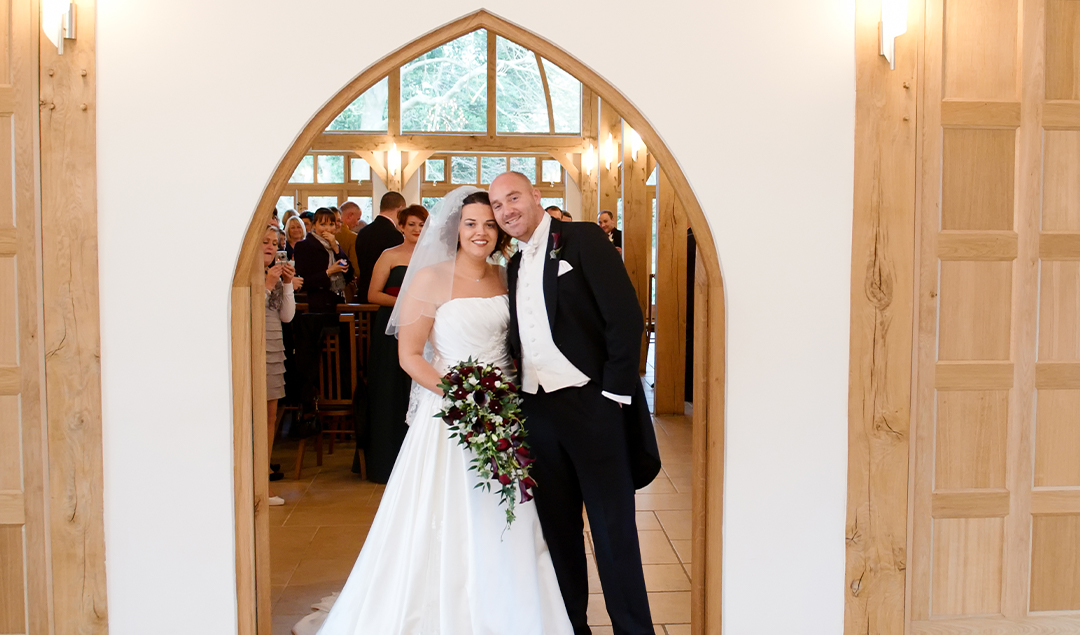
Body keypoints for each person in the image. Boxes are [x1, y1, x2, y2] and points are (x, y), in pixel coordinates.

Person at [292, 187, 573, 635]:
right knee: (443, 516)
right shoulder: (429, 279)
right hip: (451, 415)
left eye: (488, 224)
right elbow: (411, 357)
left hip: (505, 416)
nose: (480, 232)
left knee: (507, 515)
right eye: (470, 224)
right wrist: (464, 398)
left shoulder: (506, 276)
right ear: (454, 229)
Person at [490, 171, 661, 635]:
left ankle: (632, 629)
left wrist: (613, 394)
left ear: (535, 196)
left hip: (593, 406)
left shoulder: (580, 237)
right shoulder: (513, 263)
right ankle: (572, 628)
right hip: (537, 413)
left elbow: (624, 314)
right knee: (558, 533)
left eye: (514, 197)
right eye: (498, 204)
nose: (506, 210)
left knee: (613, 534)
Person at [363, 204, 428, 483]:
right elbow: (373, 294)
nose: (416, 229)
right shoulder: (388, 256)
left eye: (421, 225)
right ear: (401, 226)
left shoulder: (433, 257)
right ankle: (385, 460)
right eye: (411, 224)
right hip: (390, 329)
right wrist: (405, 304)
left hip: (423, 328)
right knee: (390, 388)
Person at [262, 224, 299, 506]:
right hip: (255, 345)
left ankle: (262, 482)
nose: (270, 247)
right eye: (264, 242)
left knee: (270, 416)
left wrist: (286, 284)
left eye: (274, 243)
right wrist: (266, 285)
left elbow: (286, 316)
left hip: (275, 345)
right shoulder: (247, 276)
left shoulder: (276, 274)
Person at [293, 207, 353, 312]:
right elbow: (304, 281)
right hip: (317, 305)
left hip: (337, 302)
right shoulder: (304, 246)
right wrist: (329, 272)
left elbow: (349, 273)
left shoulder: (335, 245)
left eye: (331, 224)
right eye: (322, 225)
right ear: (314, 225)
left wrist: (336, 249)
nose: (327, 229)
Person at [352, 191, 406, 298]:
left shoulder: (363, 232)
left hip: (363, 292)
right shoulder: (394, 235)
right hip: (385, 295)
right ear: (400, 209)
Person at [336, 201, 360, 282]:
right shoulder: (352, 237)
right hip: (346, 283)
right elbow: (355, 267)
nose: (357, 223)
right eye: (357, 219)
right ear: (350, 216)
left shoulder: (323, 234)